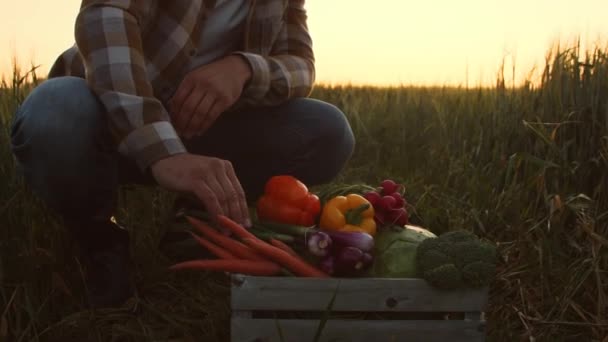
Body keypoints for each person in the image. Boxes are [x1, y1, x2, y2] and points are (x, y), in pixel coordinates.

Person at [9, 0, 355, 309]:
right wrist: (163, 152)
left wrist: (242, 68)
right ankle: (99, 242)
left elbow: (300, 64)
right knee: (53, 115)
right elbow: (104, 15)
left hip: (202, 125)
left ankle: (194, 223)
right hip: (108, 114)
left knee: (327, 130)